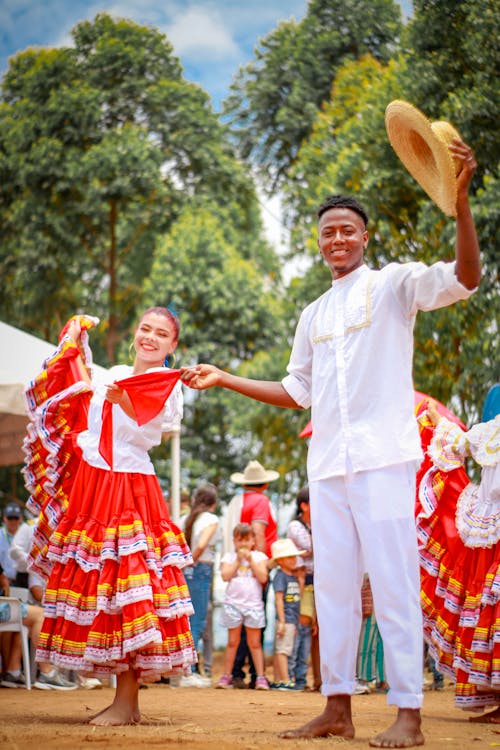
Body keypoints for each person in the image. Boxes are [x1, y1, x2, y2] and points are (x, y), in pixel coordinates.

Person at [180, 136, 480, 747]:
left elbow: (466, 278)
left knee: (395, 584)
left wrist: (463, 201)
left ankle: (409, 714)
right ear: (319, 244)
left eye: (347, 230)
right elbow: (298, 390)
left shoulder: (395, 285)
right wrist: (225, 378)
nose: (337, 239)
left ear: (363, 237)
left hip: (385, 459)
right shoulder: (312, 313)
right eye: (328, 233)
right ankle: (336, 707)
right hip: (329, 469)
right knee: (335, 591)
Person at [22, 307, 197, 724]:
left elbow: (153, 426)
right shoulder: (113, 371)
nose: (150, 338)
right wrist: (76, 341)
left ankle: (126, 703)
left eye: (161, 334)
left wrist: (127, 400)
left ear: (173, 346)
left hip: (129, 485)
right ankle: (125, 702)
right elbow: (83, 387)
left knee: (129, 589)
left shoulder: (167, 385)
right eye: (145, 329)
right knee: (104, 587)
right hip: (95, 483)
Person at [416, 399, 499, 721]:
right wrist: (439, 422)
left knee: (489, 608)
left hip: (492, 526)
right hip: (491, 523)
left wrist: (440, 423)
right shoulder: (492, 430)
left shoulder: (492, 431)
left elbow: (459, 442)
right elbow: (460, 442)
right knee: (486, 610)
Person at [225, 460, 279, 688]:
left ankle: (236, 672)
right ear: (265, 484)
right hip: (253, 567)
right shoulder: (261, 501)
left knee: (237, 627)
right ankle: (252, 673)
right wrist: (263, 561)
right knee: (255, 622)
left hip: (237, 570)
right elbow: (258, 528)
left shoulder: (236, 502)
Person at [216, 522, 270, 690]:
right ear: (234, 541)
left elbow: (263, 577)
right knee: (233, 641)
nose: (243, 544)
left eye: (247, 540)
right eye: (240, 540)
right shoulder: (228, 558)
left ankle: (260, 677)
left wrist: (250, 560)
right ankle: (227, 675)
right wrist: (238, 560)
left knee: (255, 643)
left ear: (253, 541)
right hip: (233, 604)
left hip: (253, 605)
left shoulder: (260, 557)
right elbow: (225, 576)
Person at [180, 483, 219, 687]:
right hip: (200, 569)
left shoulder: (185, 519)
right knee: (197, 621)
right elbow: (202, 545)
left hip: (185, 571)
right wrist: (192, 560)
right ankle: (189, 672)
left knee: (187, 620)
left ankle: (184, 671)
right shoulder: (211, 519)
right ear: (213, 502)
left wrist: (184, 564)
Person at [286, 486, 320, 691]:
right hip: (304, 580)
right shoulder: (295, 526)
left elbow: (309, 550)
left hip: (318, 578)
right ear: (304, 505)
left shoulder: (311, 525)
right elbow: (313, 547)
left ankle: (319, 679)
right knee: (304, 626)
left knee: (319, 629)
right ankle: (297, 677)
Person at [270, 538, 304, 690]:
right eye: (290, 557)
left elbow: (297, 599)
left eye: (294, 556)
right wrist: (282, 621)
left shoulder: (292, 577)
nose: (294, 560)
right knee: (283, 650)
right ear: (280, 561)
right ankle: (285, 680)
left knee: (282, 649)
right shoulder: (280, 576)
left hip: (292, 619)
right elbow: (278, 599)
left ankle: (278, 680)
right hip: (285, 619)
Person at [0, 503, 24, 586]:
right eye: (10, 518)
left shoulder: (26, 536)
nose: (13, 521)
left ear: (21, 518)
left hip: (21, 583)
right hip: (1, 582)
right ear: (4, 518)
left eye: (16, 518)